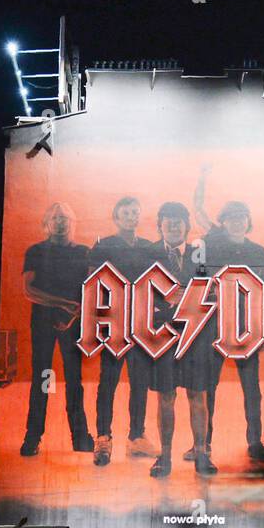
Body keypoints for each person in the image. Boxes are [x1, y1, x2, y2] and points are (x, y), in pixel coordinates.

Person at [191, 165, 264, 462]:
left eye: (242, 217)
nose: (237, 222)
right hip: (214, 327)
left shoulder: (259, 252)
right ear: (223, 222)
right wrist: (202, 178)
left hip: (246, 329)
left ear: (248, 222)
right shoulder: (212, 240)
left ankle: (255, 443)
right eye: (232, 218)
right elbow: (197, 207)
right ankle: (204, 444)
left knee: (252, 389)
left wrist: (263, 331)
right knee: (207, 387)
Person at [88, 196, 158, 467]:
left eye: (135, 212)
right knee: (109, 382)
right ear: (116, 217)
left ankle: (137, 437)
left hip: (140, 323)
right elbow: (93, 284)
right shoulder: (103, 245)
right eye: (126, 212)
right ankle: (103, 438)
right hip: (114, 323)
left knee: (139, 381)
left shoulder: (148, 247)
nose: (132, 216)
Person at [148, 202, 216, 477]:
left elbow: (209, 289)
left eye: (179, 220)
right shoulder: (149, 253)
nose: (174, 225)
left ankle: (201, 453)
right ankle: (164, 457)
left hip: (196, 334)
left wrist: (189, 297)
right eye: (168, 220)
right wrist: (164, 297)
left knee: (197, 394)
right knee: (166, 395)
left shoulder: (199, 252)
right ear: (160, 225)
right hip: (163, 335)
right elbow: (138, 290)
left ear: (187, 226)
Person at [20, 202, 92, 456]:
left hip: (73, 324)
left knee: (74, 380)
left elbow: (91, 289)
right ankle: (33, 436)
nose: (61, 222)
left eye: (66, 218)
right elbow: (29, 291)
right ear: (47, 223)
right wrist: (63, 304)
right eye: (56, 218)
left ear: (73, 223)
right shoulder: (36, 251)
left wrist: (73, 316)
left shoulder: (84, 252)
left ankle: (80, 437)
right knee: (43, 379)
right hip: (43, 324)